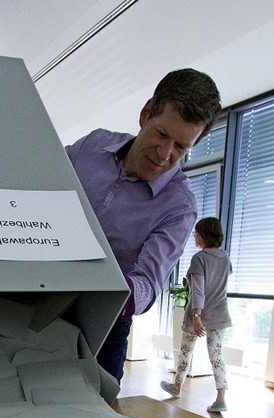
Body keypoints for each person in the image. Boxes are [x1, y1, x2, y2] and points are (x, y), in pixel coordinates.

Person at [66, 69, 221, 383]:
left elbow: (147, 285)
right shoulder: (93, 145)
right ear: (146, 113)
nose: (165, 155)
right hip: (32, 296)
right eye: (162, 135)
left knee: (92, 417)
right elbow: (38, 181)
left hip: (104, 322)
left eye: (180, 147)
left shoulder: (179, 207)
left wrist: (98, 288)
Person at [161, 217, 232, 412]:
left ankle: (176, 387)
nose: (194, 236)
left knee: (186, 351)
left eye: (196, 233)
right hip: (220, 314)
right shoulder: (225, 258)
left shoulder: (199, 259)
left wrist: (197, 316)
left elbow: (198, 290)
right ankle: (221, 398)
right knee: (216, 356)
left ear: (203, 236)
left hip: (198, 316)